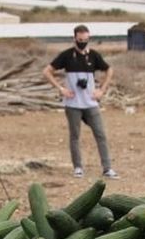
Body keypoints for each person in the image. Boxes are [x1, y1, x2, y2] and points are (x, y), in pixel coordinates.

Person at [45, 25, 117, 178]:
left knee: (100, 134)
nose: (83, 42)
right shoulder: (66, 56)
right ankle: (78, 167)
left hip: (91, 103)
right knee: (75, 136)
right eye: (80, 40)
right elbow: (47, 71)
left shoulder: (93, 56)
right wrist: (61, 88)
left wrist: (102, 90)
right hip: (73, 104)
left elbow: (109, 69)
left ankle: (107, 168)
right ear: (74, 39)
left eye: (85, 40)